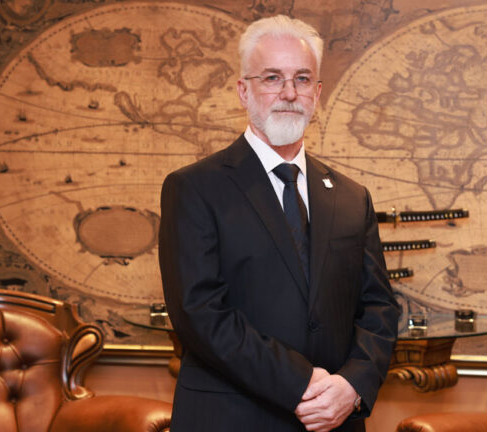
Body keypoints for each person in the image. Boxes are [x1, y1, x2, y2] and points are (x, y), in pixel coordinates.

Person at [158, 15, 401, 432]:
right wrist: (302, 382)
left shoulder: (351, 197)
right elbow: (200, 314)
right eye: (272, 77)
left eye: (302, 79)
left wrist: (352, 385)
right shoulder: (194, 188)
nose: (289, 92)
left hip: (335, 420)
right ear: (243, 90)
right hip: (231, 420)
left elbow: (380, 307)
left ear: (317, 93)